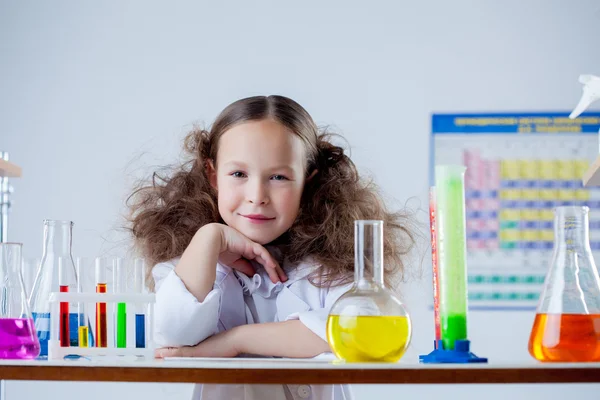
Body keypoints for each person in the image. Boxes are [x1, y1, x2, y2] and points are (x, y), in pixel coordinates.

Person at [128, 95, 416, 399]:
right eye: (238, 174)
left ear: (307, 180)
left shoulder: (328, 268)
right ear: (213, 176)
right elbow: (174, 336)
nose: (257, 196)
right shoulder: (190, 265)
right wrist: (211, 237)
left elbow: (357, 331)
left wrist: (234, 341)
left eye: (278, 177)